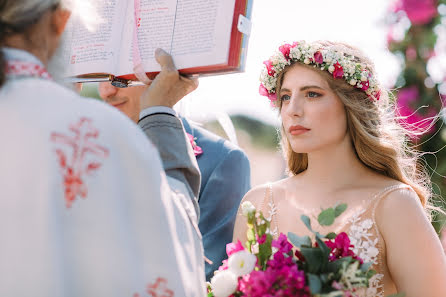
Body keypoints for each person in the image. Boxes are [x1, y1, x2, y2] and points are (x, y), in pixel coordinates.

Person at [0, 1, 207, 296]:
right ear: (60, 23)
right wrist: (159, 113)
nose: (108, 89)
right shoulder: (95, 131)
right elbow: (172, 251)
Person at [233, 40, 446, 297]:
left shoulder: (394, 203)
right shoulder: (257, 204)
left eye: (312, 94)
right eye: (285, 97)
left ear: (351, 104)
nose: (292, 110)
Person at [98, 81, 252, 280]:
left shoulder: (223, 160)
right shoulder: (87, 149)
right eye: (101, 75)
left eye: (120, 78)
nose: (106, 91)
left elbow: (207, 278)